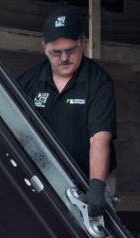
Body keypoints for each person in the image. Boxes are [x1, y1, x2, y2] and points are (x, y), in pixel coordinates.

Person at [15, 11, 117, 218]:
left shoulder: (98, 83)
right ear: (44, 48)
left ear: (83, 42)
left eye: (70, 50)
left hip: (88, 180)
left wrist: (96, 186)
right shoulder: (28, 83)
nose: (64, 58)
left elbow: (99, 138)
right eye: (56, 52)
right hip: (41, 179)